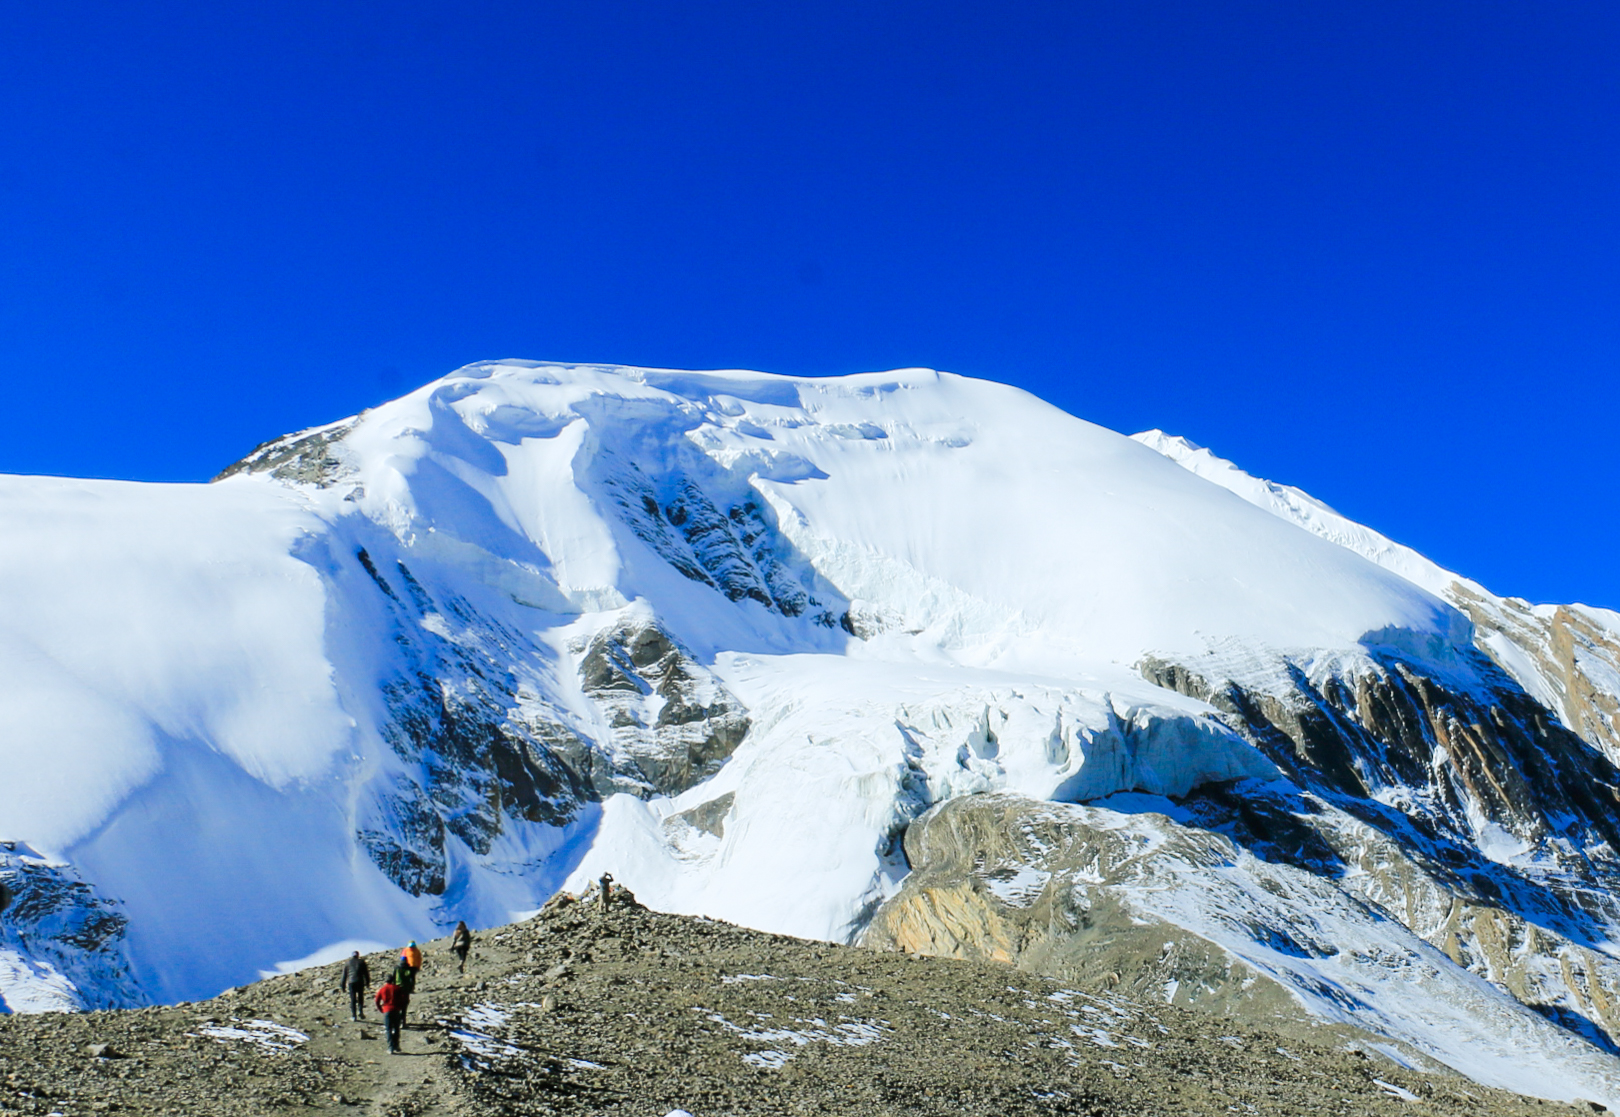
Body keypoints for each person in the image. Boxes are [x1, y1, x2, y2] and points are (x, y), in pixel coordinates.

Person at [374, 977, 405, 1054]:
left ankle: (390, 1047)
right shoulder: (397, 988)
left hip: (387, 1010)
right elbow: (403, 999)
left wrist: (381, 1009)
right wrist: (400, 1008)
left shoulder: (383, 989)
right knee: (396, 1028)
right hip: (396, 1010)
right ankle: (396, 1045)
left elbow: (377, 1000)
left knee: (389, 1029)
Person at [340, 950, 370, 1021]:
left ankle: (354, 1016)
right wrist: (367, 983)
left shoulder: (348, 963)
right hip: (360, 981)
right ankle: (360, 1011)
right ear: (358, 955)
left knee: (353, 999)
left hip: (351, 982)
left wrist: (343, 986)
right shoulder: (362, 962)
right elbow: (366, 974)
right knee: (360, 997)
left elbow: (344, 976)